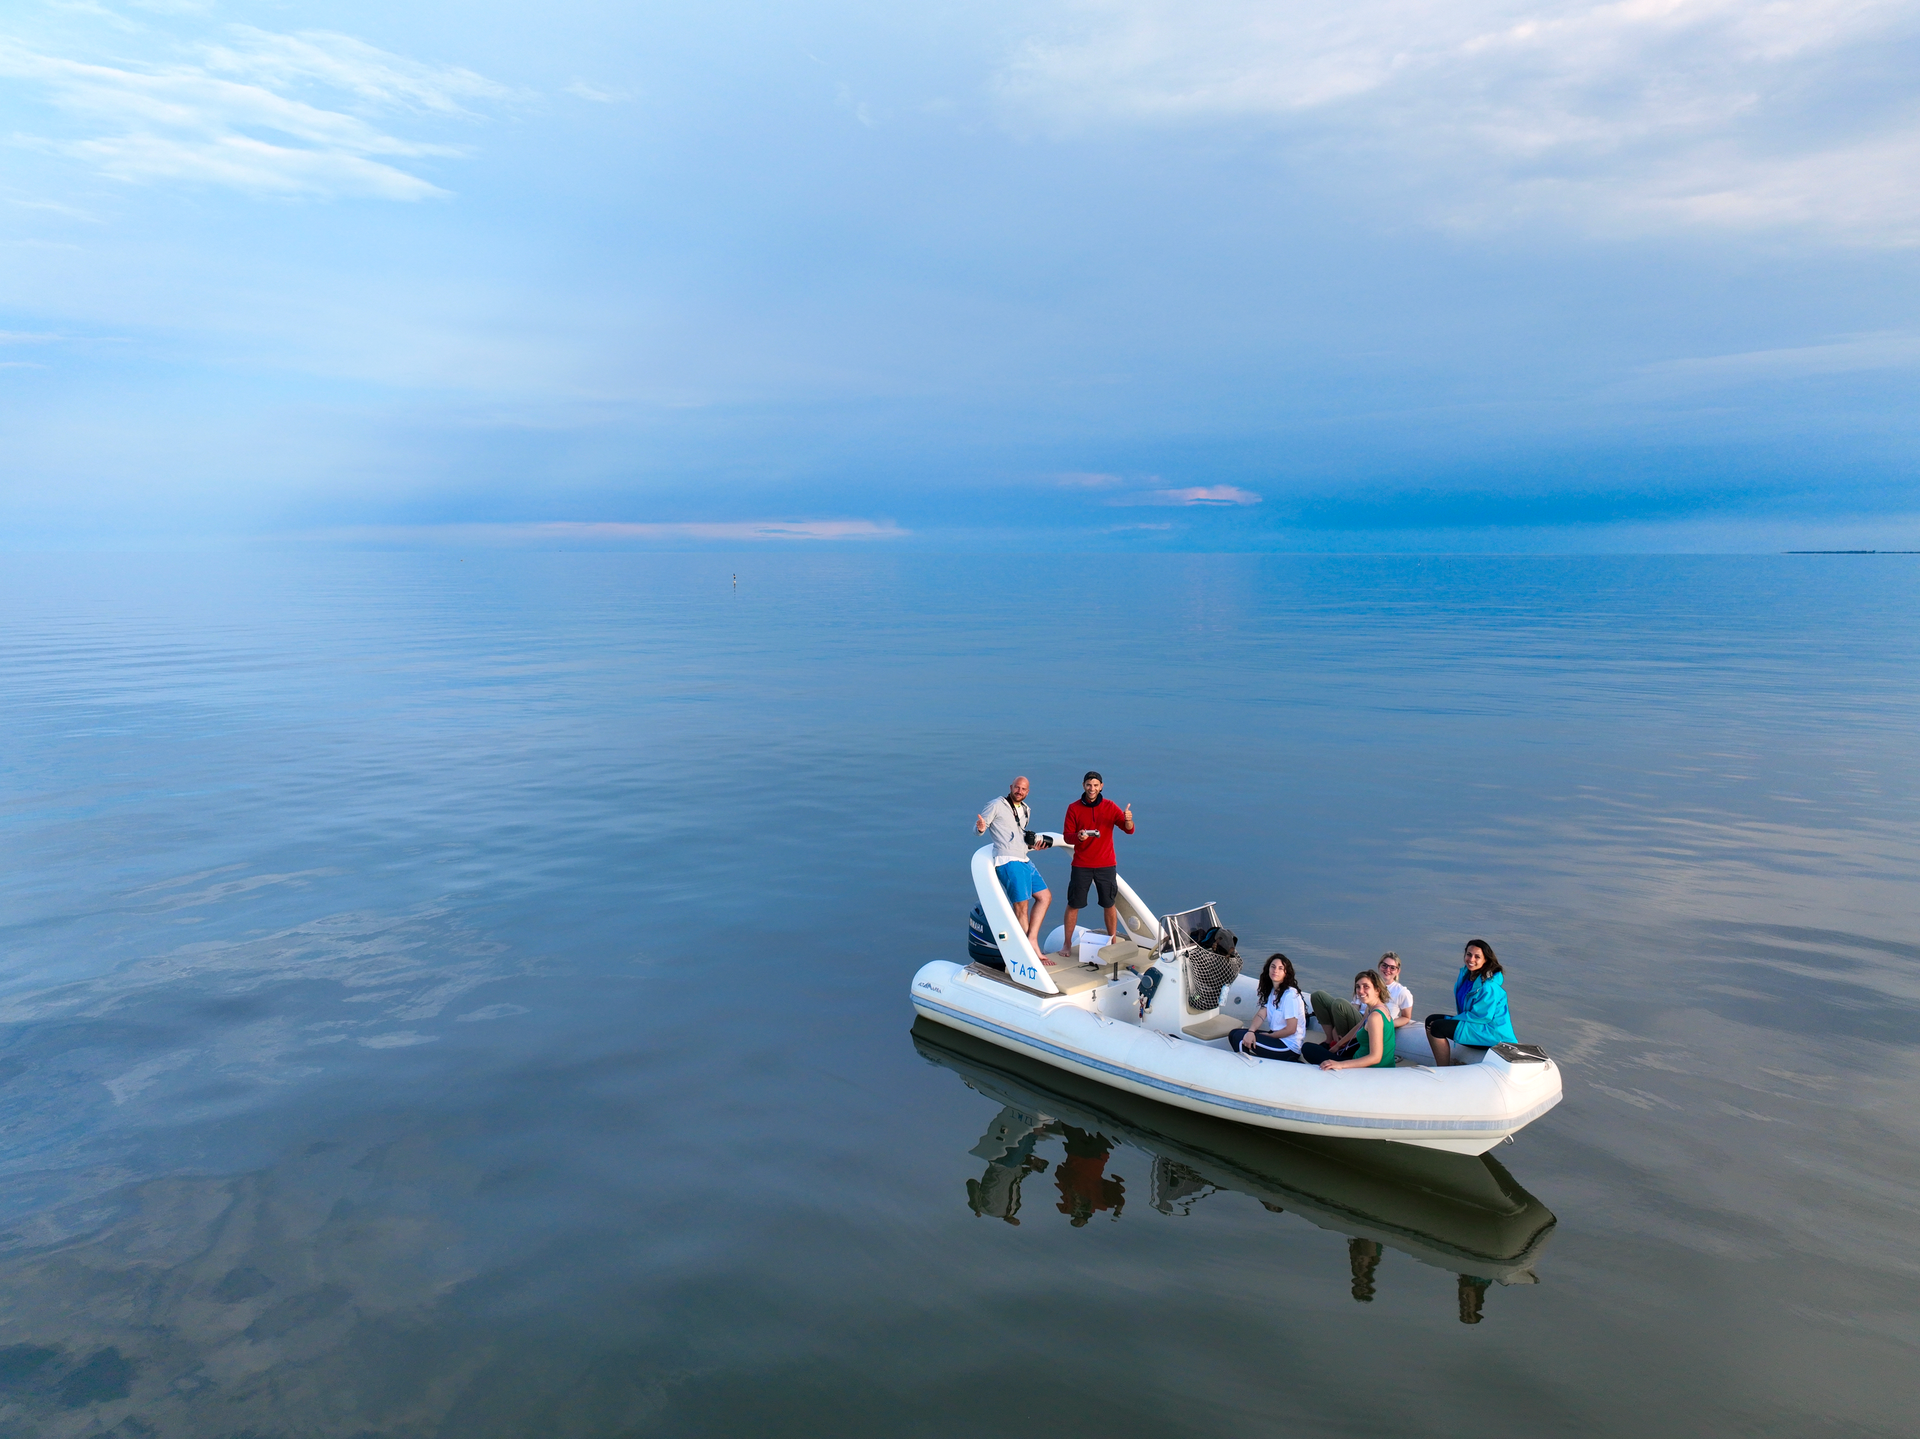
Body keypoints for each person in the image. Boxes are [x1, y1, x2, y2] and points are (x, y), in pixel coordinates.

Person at [1054, 771, 1135, 957]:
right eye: (1089, 785)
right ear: (1084, 786)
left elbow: (1128, 830)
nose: (1092, 789)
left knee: (1109, 904)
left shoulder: (1110, 806)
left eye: (1096, 785)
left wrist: (1128, 820)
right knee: (1074, 904)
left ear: (1101, 787)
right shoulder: (1073, 808)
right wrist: (1079, 836)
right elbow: (1067, 836)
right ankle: (1066, 944)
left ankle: (1112, 941)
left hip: (1106, 864)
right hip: (1081, 864)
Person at [975, 776, 1053, 952]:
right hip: (1007, 861)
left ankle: (1031, 939)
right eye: (1017, 788)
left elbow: (1018, 836)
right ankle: (1029, 953)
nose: (1019, 791)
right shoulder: (996, 804)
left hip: (1024, 859)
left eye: (1023, 789)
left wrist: (1033, 845)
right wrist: (980, 828)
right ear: (1011, 787)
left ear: (1027, 792)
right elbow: (979, 828)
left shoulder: (1026, 809)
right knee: (1021, 906)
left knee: (1045, 897)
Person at [1425, 939, 1516, 1067]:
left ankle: (1443, 1069)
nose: (1471, 959)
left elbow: (1482, 1016)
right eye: (1469, 954)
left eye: (1477, 956)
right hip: (1478, 1025)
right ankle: (1442, 1062)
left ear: (1486, 960)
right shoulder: (1466, 975)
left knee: (1437, 1027)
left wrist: (1450, 1020)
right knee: (1431, 1019)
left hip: (1492, 1032)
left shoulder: (1488, 986)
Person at [1303, 970, 1397, 1070]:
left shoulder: (1375, 1017)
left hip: (1370, 1068)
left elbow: (1376, 1058)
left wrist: (1340, 1065)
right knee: (1326, 1048)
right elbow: (1359, 1026)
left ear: (1377, 990)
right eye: (1358, 987)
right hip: (1364, 1057)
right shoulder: (1379, 1008)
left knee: (1307, 1048)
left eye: (1366, 986)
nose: (1360, 991)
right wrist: (1338, 1045)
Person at [1228, 953, 1307, 1061]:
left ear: (1286, 973)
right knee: (1234, 1034)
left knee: (1240, 1039)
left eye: (1280, 968)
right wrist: (1251, 1031)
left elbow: (1291, 1029)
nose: (1275, 971)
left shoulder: (1290, 995)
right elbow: (1261, 1014)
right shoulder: (1273, 992)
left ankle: (1246, 1072)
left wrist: (1269, 1036)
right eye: (1273, 967)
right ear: (1268, 968)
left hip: (1288, 1046)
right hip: (1276, 1037)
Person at [1377, 952, 1415, 1027]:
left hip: (1377, 1024)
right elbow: (1355, 1007)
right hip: (1360, 1020)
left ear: (1397, 971)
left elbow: (1406, 1017)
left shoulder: (1401, 992)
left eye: (1392, 968)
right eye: (1384, 965)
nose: (1388, 969)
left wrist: (1387, 1025)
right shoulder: (1367, 985)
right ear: (1379, 966)